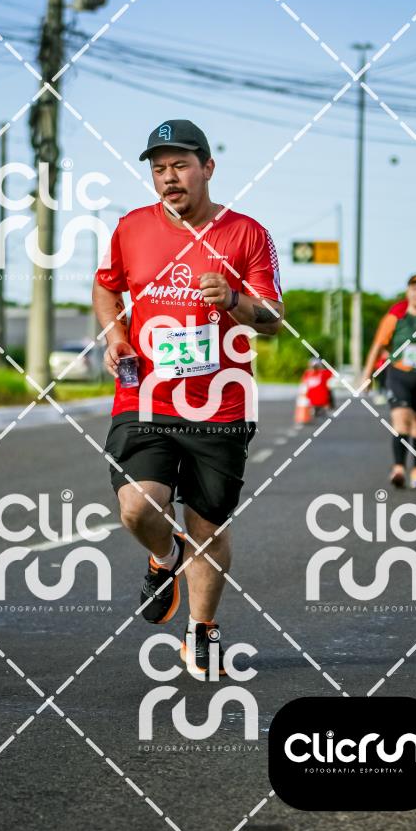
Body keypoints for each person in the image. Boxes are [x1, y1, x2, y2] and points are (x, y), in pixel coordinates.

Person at [92, 119, 284, 677]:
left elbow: (274, 317)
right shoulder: (132, 228)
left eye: (180, 165)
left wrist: (234, 301)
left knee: (208, 527)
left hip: (220, 403)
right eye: (159, 169)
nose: (168, 178)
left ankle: (201, 630)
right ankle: (165, 556)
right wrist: (116, 335)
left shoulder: (247, 234)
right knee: (137, 505)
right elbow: (106, 285)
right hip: (146, 394)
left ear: (208, 168)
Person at [362, 274, 416, 489]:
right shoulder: (395, 316)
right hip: (399, 375)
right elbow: (377, 345)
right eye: (414, 289)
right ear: (408, 292)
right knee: (401, 422)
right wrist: (367, 375)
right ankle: (399, 468)